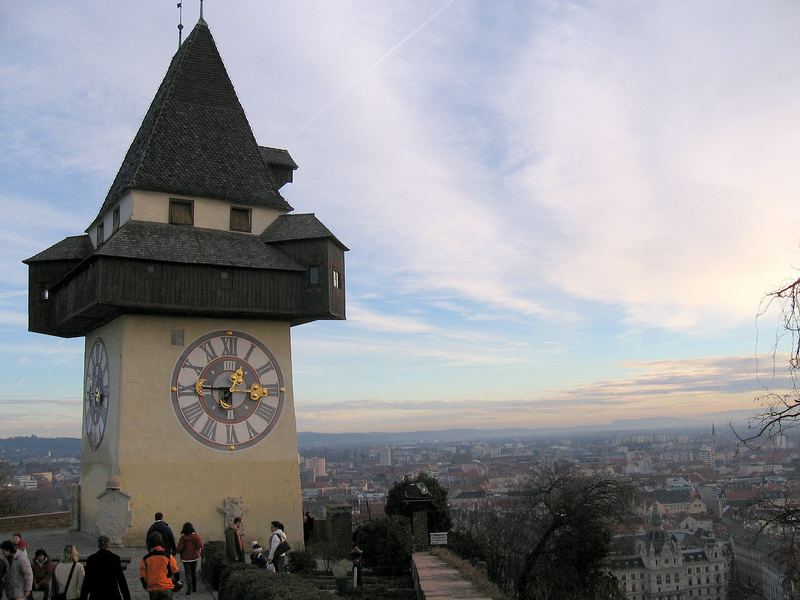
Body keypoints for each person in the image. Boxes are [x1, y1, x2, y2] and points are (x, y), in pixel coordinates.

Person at [80, 535, 131, 600]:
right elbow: (122, 581)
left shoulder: (91, 559)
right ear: (108, 544)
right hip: (113, 595)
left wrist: (83, 597)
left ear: (98, 544)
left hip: (96, 595)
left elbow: (87, 581)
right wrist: (127, 598)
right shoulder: (115, 558)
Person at [140, 532, 180, 600]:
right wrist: (176, 580)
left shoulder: (145, 559)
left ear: (149, 543)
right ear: (161, 542)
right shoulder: (168, 556)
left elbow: (143, 576)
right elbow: (175, 570)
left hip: (153, 589)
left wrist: (146, 586)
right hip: (166, 587)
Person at [176, 523, 203, 596]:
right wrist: (197, 550)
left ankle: (189, 589)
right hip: (194, 557)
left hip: (186, 558)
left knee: (188, 574)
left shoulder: (183, 538)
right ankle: (194, 588)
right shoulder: (196, 537)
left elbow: (179, 548)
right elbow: (199, 545)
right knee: (193, 572)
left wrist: (178, 551)